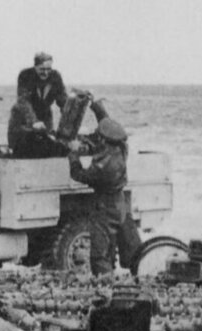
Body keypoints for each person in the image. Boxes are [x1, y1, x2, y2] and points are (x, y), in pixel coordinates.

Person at [68, 101, 141, 275]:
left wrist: (73, 153)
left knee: (99, 253)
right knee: (113, 244)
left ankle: (106, 281)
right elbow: (109, 126)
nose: (96, 139)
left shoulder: (103, 168)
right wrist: (98, 108)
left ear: (103, 141)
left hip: (104, 207)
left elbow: (78, 174)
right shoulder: (121, 149)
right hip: (119, 204)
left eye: (98, 137)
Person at [8, 91, 69, 158]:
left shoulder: (45, 109)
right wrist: (35, 128)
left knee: (55, 145)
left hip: (35, 140)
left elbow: (47, 130)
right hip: (22, 143)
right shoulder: (21, 106)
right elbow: (16, 131)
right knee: (53, 147)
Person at [16, 52, 68, 132]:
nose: (46, 73)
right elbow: (23, 100)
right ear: (35, 66)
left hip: (45, 117)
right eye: (42, 69)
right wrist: (33, 121)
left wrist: (69, 116)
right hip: (24, 117)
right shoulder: (25, 75)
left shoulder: (55, 76)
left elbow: (62, 99)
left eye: (48, 69)